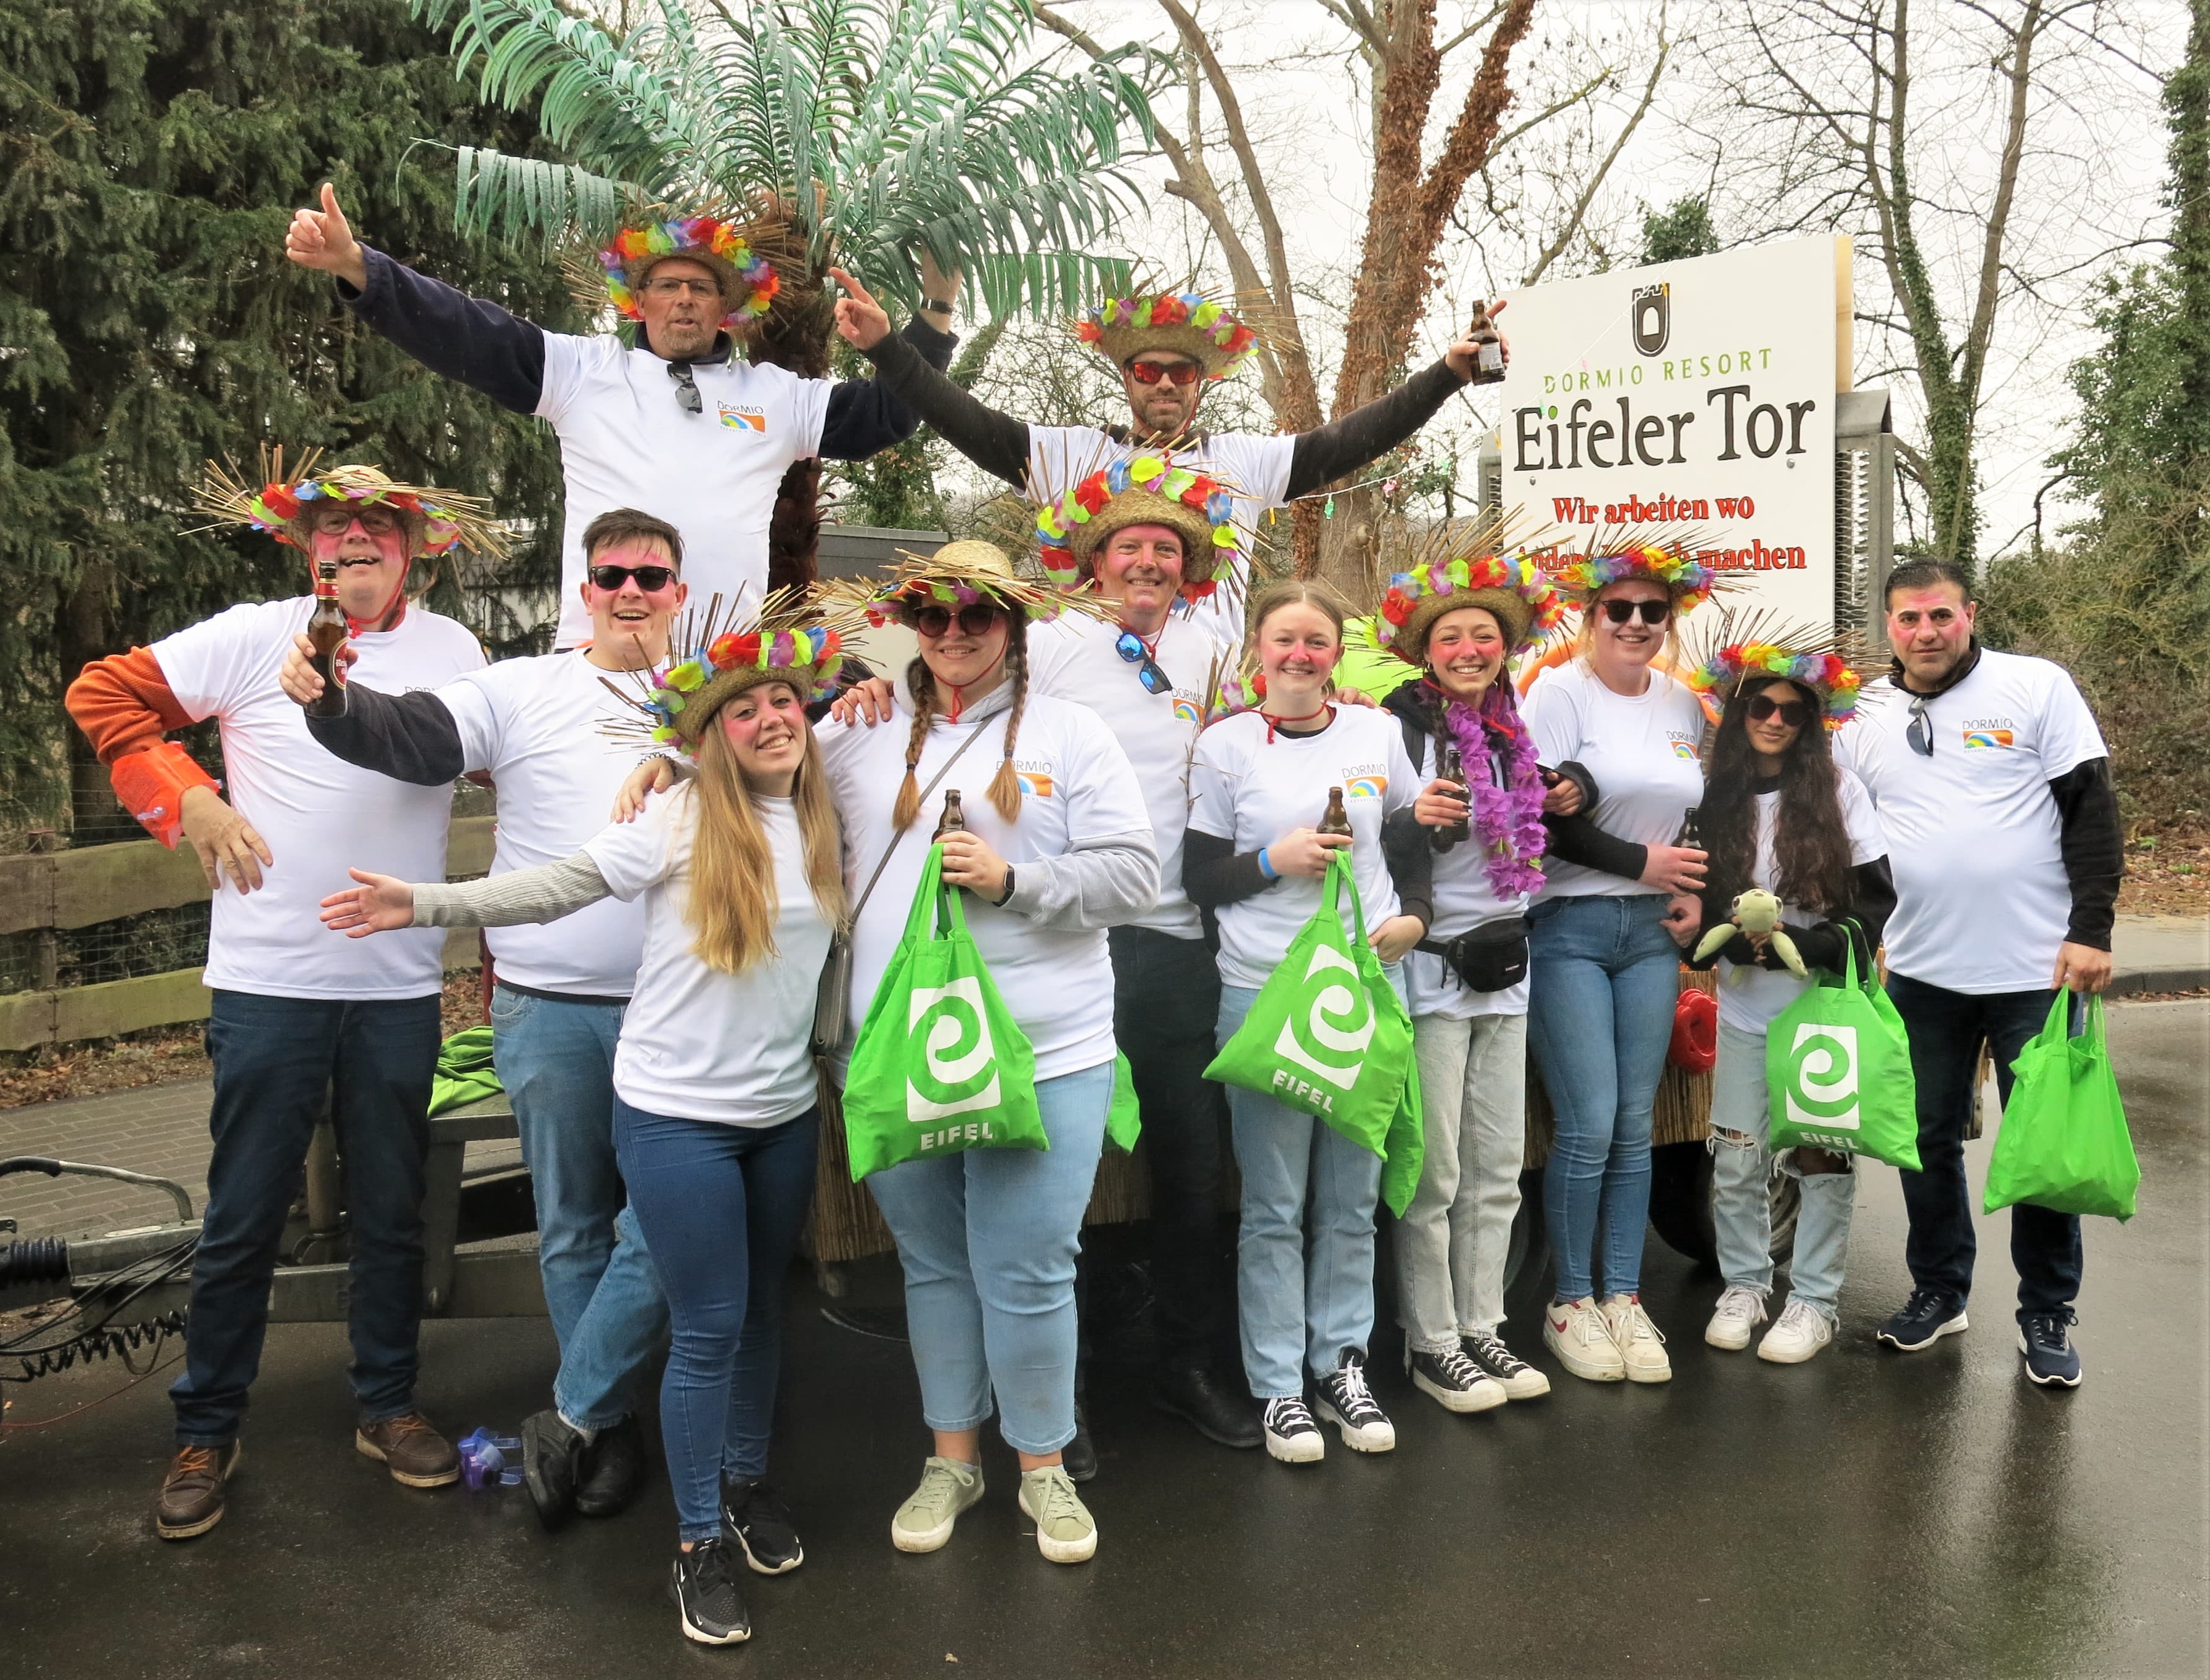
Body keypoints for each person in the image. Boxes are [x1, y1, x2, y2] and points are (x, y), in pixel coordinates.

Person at [316, 598, 851, 1644]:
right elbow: (556, 885)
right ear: (707, 736)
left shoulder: (831, 818)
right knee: (702, 1327)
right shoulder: (684, 816)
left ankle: (745, 1488)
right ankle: (694, 1541)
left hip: (781, 1115)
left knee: (755, 1319)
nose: (772, 720)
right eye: (744, 711)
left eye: (786, 701)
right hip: (677, 1118)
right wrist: (422, 903)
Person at [63, 453, 495, 1539]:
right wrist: (190, 804)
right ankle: (207, 1426)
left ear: (413, 549)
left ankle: (387, 1404)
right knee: (246, 1213)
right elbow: (102, 692)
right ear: (308, 549)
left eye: (376, 528)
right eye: (332, 528)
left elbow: (513, 760)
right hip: (267, 981)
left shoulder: (454, 650)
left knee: (392, 1210)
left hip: (398, 984)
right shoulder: (250, 634)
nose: (353, 542)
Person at [275, 507, 707, 1528]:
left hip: (686, 1011)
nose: (633, 591)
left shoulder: (719, 701)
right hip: (549, 1005)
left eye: (653, 574)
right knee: (569, 1222)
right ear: (585, 589)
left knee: (665, 1222)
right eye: (613, 575)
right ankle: (608, 1428)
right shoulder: (520, 687)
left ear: (679, 592)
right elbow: (414, 736)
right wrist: (336, 704)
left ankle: (615, 1405)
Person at [826, 457, 1259, 1458]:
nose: (1145, 562)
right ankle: (1058, 1408)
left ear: (1187, 566)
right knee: (1070, 1195)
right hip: (1064, 947)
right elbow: (927, 702)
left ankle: (1183, 1368)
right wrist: (861, 692)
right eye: (1125, 547)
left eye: (1164, 549)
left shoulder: (1215, 646)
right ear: (1092, 564)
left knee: (1185, 1176)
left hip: (1181, 938)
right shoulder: (1051, 645)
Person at [815, 544, 1158, 1565]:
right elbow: (749, 786)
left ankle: (1042, 1469)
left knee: (1028, 1266)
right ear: (911, 624)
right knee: (931, 1266)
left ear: (1012, 622)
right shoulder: (857, 733)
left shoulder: (1072, 732)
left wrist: (1016, 881)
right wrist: (665, 754)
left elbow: (1134, 876)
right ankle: (950, 1459)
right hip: (894, 1053)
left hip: (1046, 1049)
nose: (954, 634)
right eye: (932, 617)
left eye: (977, 616)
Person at [284, 184, 958, 645]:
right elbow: (466, 330)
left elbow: (887, 417)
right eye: (668, 285)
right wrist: (359, 267)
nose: (686, 300)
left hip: (727, 675)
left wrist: (930, 317)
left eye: (703, 287)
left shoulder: (777, 394)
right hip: (597, 662)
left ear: (728, 307)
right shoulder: (583, 372)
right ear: (639, 300)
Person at [1837, 559, 2121, 1387]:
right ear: (1886, 626)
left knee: (2040, 1146)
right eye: (1906, 619)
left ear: (1968, 614)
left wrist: (2090, 928)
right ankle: (1937, 1288)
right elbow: (1836, 824)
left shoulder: (2033, 687)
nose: (1923, 632)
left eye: (1938, 616)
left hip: (2036, 966)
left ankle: (2044, 1310)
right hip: (1919, 968)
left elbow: (2090, 807)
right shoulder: (1862, 714)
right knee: (1921, 1139)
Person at [839, 281, 1510, 632]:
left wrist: (1446, 374)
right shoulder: (1069, 453)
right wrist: (887, 350)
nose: (1163, 382)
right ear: (1126, 377)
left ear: (1202, 381)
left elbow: (1353, 439)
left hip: (1206, 701)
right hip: (1090, 699)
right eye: (1148, 369)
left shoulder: (1243, 463)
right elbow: (964, 421)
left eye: (1181, 373)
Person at [1185, 579, 1429, 1464]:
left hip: (1362, 990)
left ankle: (1340, 1363)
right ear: (1257, 648)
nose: (1299, 654)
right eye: (1284, 639)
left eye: (1316, 641)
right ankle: (1278, 1383)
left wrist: (1414, 919)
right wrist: (1269, 858)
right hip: (1264, 992)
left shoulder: (1375, 732)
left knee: (1350, 1199)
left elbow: (1407, 837)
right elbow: (1199, 878)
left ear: (1335, 653)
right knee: (1274, 1203)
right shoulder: (1222, 747)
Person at [1371, 544, 1569, 1411]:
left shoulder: (1510, 727)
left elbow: (1531, 835)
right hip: (1429, 967)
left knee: (1497, 1166)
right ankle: (1432, 1341)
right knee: (1433, 1171)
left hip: (1508, 963)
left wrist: (1568, 794)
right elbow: (1366, 834)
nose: (1466, 649)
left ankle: (1484, 1325)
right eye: (1449, 636)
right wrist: (1407, 820)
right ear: (1425, 648)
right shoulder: (1396, 724)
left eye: (1481, 636)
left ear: (1502, 646)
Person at [1517, 546, 1718, 1385]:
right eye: (1617, 610)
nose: (1635, 624)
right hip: (1564, 924)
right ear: (1587, 616)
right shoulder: (1558, 693)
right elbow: (1541, 815)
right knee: (1590, 1119)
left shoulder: (1681, 703)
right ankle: (1569, 1299)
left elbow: (1690, 813)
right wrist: (1642, 864)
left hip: (1645, 935)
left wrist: (1693, 889)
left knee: (1635, 1123)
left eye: (1651, 612)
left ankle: (1624, 1298)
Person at [1678, 630, 1894, 1364]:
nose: (1773, 720)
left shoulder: (1838, 792)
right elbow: (1692, 901)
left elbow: (1875, 898)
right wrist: (1727, 941)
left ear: (1810, 725)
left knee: (1818, 1156)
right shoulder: (1713, 797)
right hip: (1742, 1005)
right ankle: (1743, 1285)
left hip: (1820, 1008)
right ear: (1736, 715)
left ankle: (1812, 1301)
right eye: (1759, 707)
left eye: (1791, 711)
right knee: (1736, 1157)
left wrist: (1820, 947)